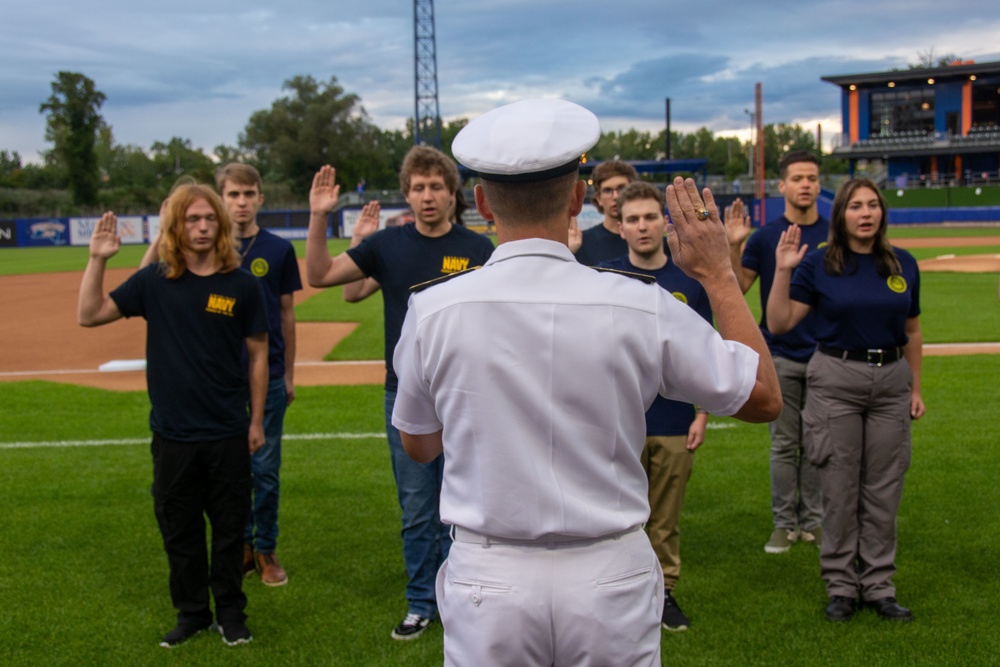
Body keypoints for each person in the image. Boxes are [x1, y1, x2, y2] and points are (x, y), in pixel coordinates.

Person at [391, 98, 781, 666]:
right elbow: (764, 398)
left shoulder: (433, 310)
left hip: (491, 580)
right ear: (579, 200)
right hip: (608, 578)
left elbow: (420, 445)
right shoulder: (639, 305)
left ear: (479, 202)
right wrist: (720, 275)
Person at [305, 145, 495, 640]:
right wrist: (318, 218)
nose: (427, 196)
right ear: (406, 194)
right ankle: (419, 602)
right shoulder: (386, 246)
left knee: (466, 505)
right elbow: (320, 276)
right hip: (406, 395)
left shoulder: (479, 250)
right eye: (417, 187)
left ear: (454, 194)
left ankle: (461, 597)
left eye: (436, 186)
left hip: (466, 396)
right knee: (416, 507)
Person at [78, 185, 268, 648]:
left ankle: (229, 613)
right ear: (175, 226)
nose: (201, 227)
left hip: (227, 432)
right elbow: (89, 314)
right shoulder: (154, 282)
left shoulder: (242, 284)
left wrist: (256, 421)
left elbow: (259, 355)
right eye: (191, 220)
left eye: (209, 219)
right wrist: (98, 259)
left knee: (228, 533)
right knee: (180, 533)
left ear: (220, 226)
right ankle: (192, 613)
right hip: (173, 437)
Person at [766, 177, 924, 623]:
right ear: (841, 215)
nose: (866, 213)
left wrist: (915, 388)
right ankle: (841, 586)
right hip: (836, 376)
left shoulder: (902, 264)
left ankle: (878, 585)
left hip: (891, 380)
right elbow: (778, 323)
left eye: (873, 205)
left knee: (884, 488)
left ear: (883, 213)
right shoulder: (819, 265)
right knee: (838, 486)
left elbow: (912, 331)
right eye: (856, 206)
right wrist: (782, 269)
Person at [142, 166, 303, 587]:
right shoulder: (200, 246)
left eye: (250, 193)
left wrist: (287, 374)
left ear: (261, 199)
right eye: (233, 194)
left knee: (265, 470)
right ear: (220, 198)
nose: (242, 202)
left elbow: (286, 315)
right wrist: (163, 230)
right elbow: (150, 283)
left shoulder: (278, 250)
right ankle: (240, 549)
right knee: (226, 475)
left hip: (264, 373)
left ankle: (265, 548)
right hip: (214, 381)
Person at [598, 181, 712, 633]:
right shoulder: (604, 278)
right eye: (632, 219)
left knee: (663, 520)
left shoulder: (690, 280)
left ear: (664, 222)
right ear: (619, 226)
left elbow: (706, 353)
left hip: (674, 420)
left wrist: (702, 413)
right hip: (615, 423)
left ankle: (664, 594)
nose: (642, 226)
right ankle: (614, 595)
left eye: (649, 217)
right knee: (612, 519)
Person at [725, 150, 828, 554]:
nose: (806, 184)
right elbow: (737, 288)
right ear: (781, 186)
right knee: (785, 445)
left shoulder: (836, 233)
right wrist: (734, 246)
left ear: (819, 185)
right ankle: (785, 525)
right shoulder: (766, 236)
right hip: (782, 354)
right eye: (798, 178)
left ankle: (815, 522)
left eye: (813, 178)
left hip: (828, 356)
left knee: (818, 444)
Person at [571, 159, 638, 266]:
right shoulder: (581, 243)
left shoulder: (650, 240)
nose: (615, 196)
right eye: (607, 190)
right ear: (599, 198)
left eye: (622, 188)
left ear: (633, 192)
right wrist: (568, 254)